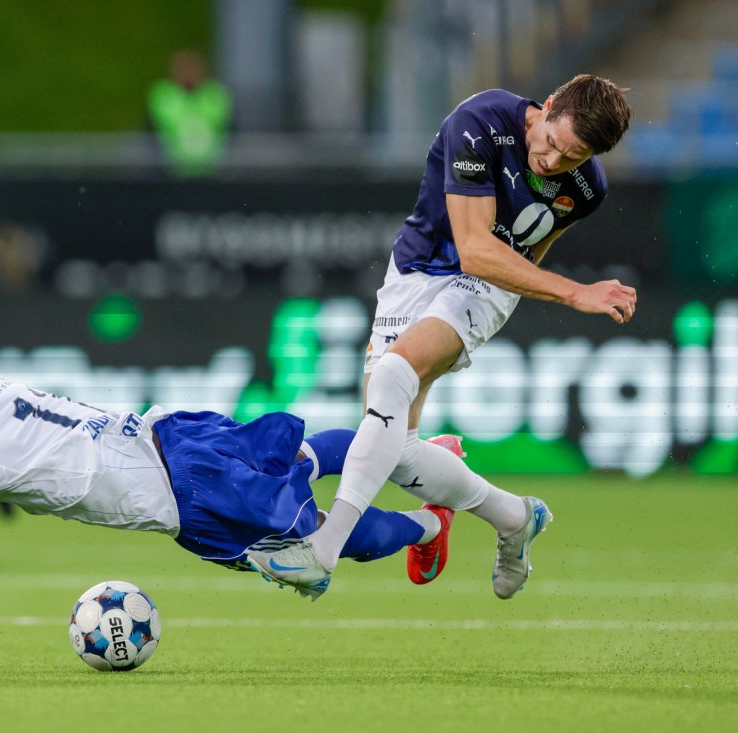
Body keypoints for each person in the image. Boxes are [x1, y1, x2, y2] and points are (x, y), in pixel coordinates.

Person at [0, 353, 461, 660]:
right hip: (173, 431)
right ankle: (416, 450)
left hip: (184, 494)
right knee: (300, 452)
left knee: (312, 545)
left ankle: (431, 516)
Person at [247, 74, 635, 601]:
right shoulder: (479, 124)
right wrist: (573, 293)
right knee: (397, 450)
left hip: (485, 285)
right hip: (416, 270)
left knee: (391, 377)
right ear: (545, 108)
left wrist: (517, 293)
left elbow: (525, 252)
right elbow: (474, 246)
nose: (550, 162)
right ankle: (515, 517)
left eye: (570, 158)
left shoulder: (588, 188)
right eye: (549, 142)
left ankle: (322, 551)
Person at [147, 49, 233, 176]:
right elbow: (150, 134)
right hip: (170, 173)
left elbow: (230, 132)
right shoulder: (163, 97)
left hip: (212, 172)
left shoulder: (216, 96)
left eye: (192, 68)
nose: (188, 74)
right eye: (183, 68)